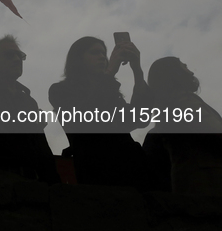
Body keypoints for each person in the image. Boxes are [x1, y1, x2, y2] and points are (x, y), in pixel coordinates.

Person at [49, 36, 153, 189]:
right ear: (78, 59)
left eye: (104, 53)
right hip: (98, 173)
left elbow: (139, 119)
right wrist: (109, 73)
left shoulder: (110, 91)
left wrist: (137, 71)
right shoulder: (60, 91)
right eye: (94, 52)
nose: (102, 57)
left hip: (133, 170)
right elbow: (86, 118)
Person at [0, 35, 59, 184]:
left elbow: (40, 144)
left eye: (20, 55)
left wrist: (53, 181)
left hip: (34, 182)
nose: (17, 59)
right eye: (10, 55)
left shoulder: (29, 101)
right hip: (0, 178)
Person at [148, 57, 222, 195]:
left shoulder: (169, 105)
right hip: (207, 184)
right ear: (174, 73)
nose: (191, 73)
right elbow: (214, 131)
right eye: (185, 67)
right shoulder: (183, 100)